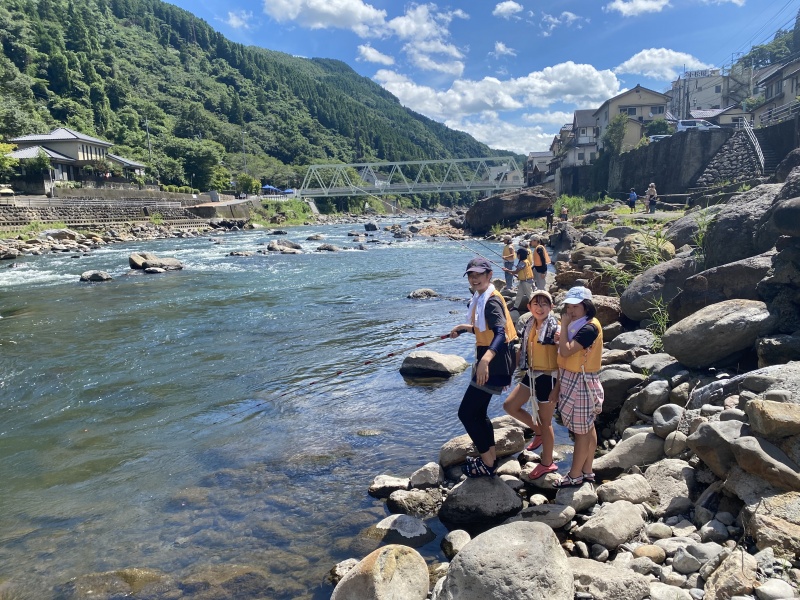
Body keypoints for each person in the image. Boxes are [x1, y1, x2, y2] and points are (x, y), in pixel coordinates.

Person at [450, 257, 518, 477]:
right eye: (471, 275)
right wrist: (464, 328)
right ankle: (490, 458)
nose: (474, 278)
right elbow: (485, 329)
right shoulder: (482, 297)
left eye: (479, 274)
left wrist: (485, 361)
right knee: (477, 412)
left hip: (493, 363)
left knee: (467, 413)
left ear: (490, 275)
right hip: (493, 361)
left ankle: (487, 463)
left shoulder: (491, 301)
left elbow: (500, 334)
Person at [503, 290, 560, 480]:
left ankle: (547, 463)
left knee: (546, 422)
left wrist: (558, 388)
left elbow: (563, 359)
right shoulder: (529, 324)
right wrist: (508, 374)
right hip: (532, 374)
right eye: (536, 303)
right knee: (510, 405)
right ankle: (538, 432)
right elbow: (522, 350)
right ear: (529, 307)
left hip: (548, 377)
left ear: (551, 307)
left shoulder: (555, 328)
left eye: (544, 304)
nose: (540, 308)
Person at [553, 286, 604, 488]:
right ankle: (587, 470)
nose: (570, 311)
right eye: (568, 306)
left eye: (575, 307)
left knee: (582, 432)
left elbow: (566, 352)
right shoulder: (580, 324)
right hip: (573, 377)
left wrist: (564, 325)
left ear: (586, 307)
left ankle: (574, 475)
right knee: (588, 427)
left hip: (582, 381)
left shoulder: (589, 328)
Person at [503, 243, 534, 312]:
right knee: (519, 294)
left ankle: (534, 306)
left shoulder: (523, 262)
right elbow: (520, 271)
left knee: (530, 295)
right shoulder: (526, 261)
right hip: (523, 281)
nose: (517, 255)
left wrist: (507, 270)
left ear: (520, 255)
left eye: (517, 254)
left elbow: (516, 272)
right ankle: (515, 307)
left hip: (526, 282)